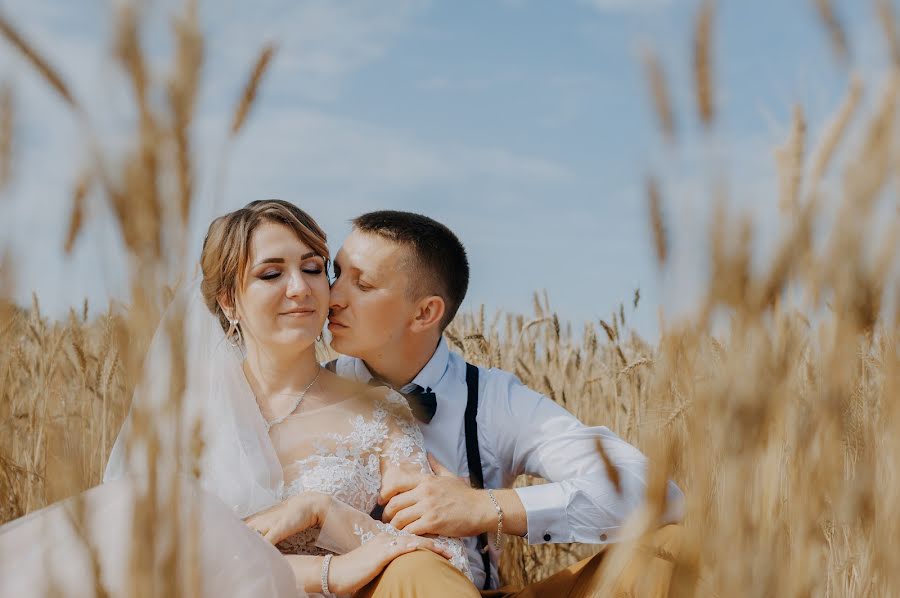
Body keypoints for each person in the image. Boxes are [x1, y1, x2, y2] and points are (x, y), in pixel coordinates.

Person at [0, 200, 478, 598]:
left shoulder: (377, 412)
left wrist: (324, 511)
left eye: (313, 269)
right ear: (228, 301)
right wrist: (328, 573)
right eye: (271, 274)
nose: (300, 289)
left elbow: (444, 562)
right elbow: (152, 568)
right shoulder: (180, 421)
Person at [325, 210, 686, 597]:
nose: (332, 297)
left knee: (674, 550)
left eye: (361, 284)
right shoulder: (309, 390)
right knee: (413, 569)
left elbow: (659, 496)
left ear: (425, 312)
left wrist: (485, 507)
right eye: (335, 274)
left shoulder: (491, 399)